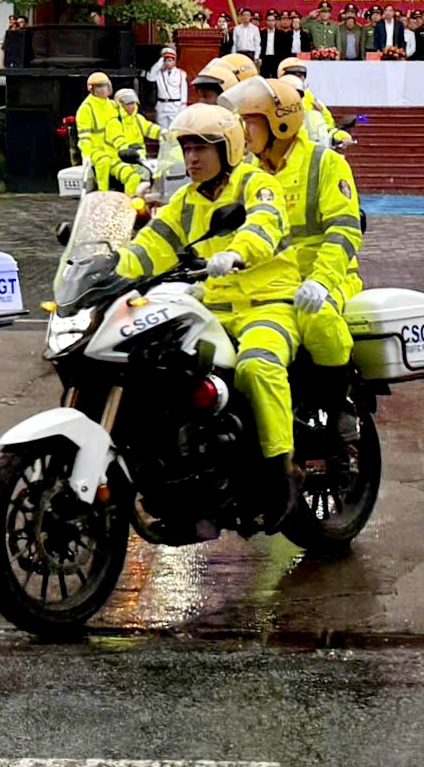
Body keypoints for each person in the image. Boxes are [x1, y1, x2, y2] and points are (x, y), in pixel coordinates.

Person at [115, 103, 302, 529]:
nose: (192, 158)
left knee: (257, 366)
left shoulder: (257, 184)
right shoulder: (185, 201)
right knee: (161, 366)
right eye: (187, 149)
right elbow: (150, 246)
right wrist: (107, 269)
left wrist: (238, 252)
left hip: (268, 303)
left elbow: (265, 224)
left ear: (229, 149)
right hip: (212, 307)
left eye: (202, 148)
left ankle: (281, 475)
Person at [221, 77, 364, 440]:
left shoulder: (325, 163)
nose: (242, 130)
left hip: (325, 277)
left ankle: (339, 401)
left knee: (317, 317)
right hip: (268, 281)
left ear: (279, 122)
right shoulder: (244, 172)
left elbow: (345, 230)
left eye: (249, 122)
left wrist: (320, 280)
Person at [278, 55, 350, 150]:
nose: (297, 79)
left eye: (300, 76)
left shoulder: (315, 103)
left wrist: (339, 135)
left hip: (313, 152)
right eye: (293, 75)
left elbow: (327, 127)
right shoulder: (272, 101)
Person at [74, 72, 130, 192]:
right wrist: (86, 155)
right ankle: (102, 194)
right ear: (92, 89)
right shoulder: (86, 108)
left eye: (106, 86)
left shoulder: (112, 105)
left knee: (131, 175)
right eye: (100, 86)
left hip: (113, 151)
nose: (104, 89)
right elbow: (84, 136)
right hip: (96, 151)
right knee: (103, 162)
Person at [112, 87, 161, 172]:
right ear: (120, 105)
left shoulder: (138, 118)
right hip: (122, 162)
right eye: (128, 104)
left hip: (141, 161)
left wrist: (164, 133)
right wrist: (128, 149)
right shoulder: (115, 122)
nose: (132, 107)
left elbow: (150, 128)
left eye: (133, 103)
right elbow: (118, 141)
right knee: (132, 180)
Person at [150, 46, 188, 132]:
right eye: (166, 60)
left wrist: (183, 106)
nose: (168, 63)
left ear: (174, 61)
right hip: (162, 105)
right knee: (162, 131)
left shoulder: (181, 73)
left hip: (175, 105)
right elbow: (151, 77)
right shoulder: (159, 73)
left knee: (174, 130)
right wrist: (161, 61)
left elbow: (183, 91)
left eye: (170, 60)